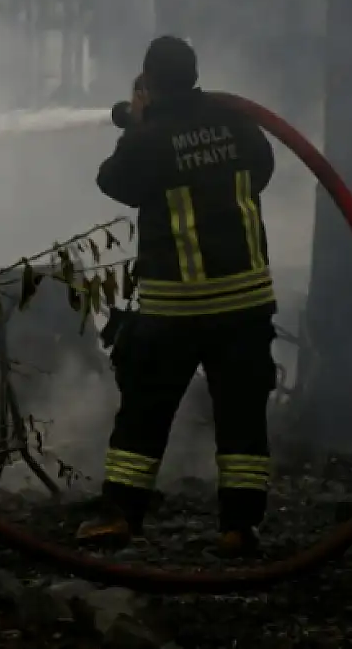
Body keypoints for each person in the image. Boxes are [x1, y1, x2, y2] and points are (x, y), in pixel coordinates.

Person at [82, 36, 277, 556]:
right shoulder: (238, 123)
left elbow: (112, 181)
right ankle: (239, 527)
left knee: (145, 411)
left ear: (149, 80)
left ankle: (121, 516)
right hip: (246, 304)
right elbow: (261, 171)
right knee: (241, 419)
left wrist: (143, 125)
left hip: (176, 306)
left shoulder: (149, 140)